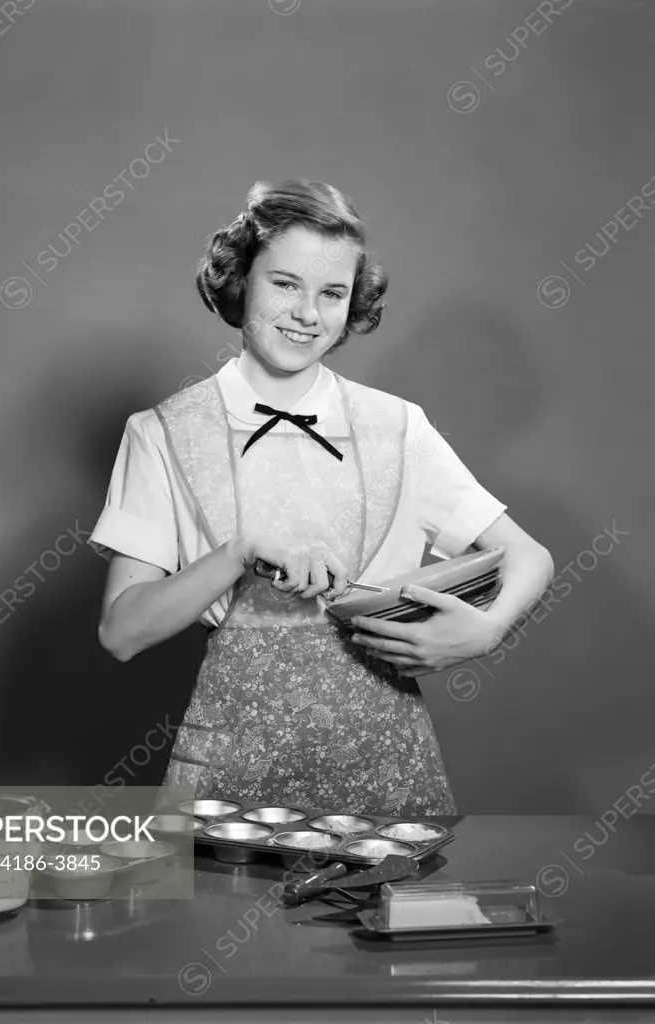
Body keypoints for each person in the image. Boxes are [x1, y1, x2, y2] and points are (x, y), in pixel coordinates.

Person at [89, 179, 554, 815]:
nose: (308, 313)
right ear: (240, 280)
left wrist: (488, 631)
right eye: (285, 284)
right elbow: (122, 632)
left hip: (386, 767)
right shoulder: (163, 432)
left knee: (386, 912)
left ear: (352, 303)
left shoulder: (398, 427)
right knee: (217, 915)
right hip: (230, 771)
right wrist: (240, 550)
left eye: (332, 293)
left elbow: (529, 557)